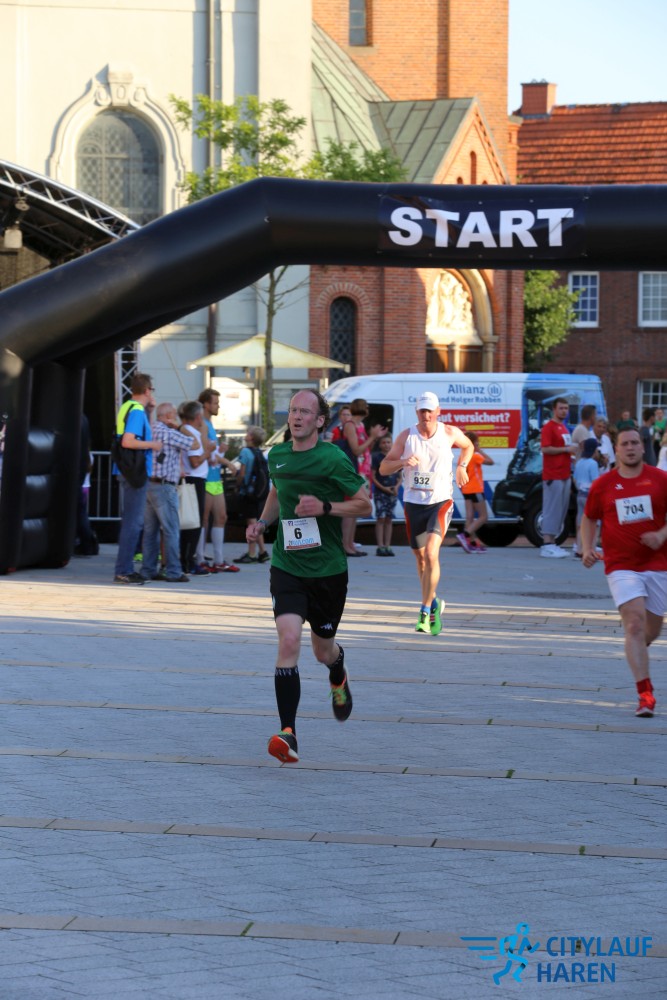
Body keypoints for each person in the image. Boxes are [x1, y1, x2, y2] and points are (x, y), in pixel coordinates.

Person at [246, 388, 371, 764]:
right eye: (292, 410)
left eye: (305, 411)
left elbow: (364, 504)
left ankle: (338, 670)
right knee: (288, 640)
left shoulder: (332, 458)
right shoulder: (278, 455)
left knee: (321, 650)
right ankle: (288, 733)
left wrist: (326, 507)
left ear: (320, 421)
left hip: (328, 571)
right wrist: (262, 523)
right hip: (287, 566)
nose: (297, 416)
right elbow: (276, 493)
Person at [581, 427, 667, 717]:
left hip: (657, 564)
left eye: (634, 443)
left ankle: (636, 648)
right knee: (634, 624)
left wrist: (661, 534)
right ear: (615, 449)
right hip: (620, 565)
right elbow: (589, 518)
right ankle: (645, 695)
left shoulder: (660, 479)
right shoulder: (603, 485)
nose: (630, 448)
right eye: (624, 444)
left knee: (651, 630)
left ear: (643, 447)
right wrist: (587, 547)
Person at [379, 391, 473, 635]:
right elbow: (384, 467)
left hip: (440, 501)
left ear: (438, 411)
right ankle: (433, 602)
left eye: (430, 410)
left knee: (431, 553)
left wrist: (462, 466)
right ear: (417, 412)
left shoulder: (449, 432)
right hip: (414, 503)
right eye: (422, 410)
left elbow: (468, 446)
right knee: (421, 559)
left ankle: (424, 611)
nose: (427, 415)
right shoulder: (406, 436)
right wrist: (402, 462)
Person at [113, 373, 161, 584]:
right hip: (135, 471)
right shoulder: (136, 411)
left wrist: (150, 411)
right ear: (148, 390)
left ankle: (124, 568)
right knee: (133, 523)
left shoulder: (128, 407)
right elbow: (128, 441)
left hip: (127, 469)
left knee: (132, 521)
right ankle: (124, 570)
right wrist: (153, 445)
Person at [139, 402, 194, 583]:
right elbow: (194, 444)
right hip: (164, 486)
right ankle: (173, 571)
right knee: (171, 530)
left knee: (150, 531)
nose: (176, 418)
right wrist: (178, 427)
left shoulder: (150, 429)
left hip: (148, 485)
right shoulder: (169, 433)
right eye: (174, 415)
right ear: (168, 416)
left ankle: (148, 569)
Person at [196, 388, 239, 573]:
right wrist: (227, 461)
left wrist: (220, 452)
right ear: (206, 404)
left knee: (221, 517)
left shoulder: (210, 424)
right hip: (205, 477)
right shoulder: (201, 424)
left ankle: (218, 559)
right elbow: (204, 452)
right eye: (215, 403)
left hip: (214, 478)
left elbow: (212, 453)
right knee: (204, 519)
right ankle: (200, 558)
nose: (218, 406)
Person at [340, 399, 386, 556]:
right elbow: (356, 450)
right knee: (350, 509)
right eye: (366, 406)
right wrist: (372, 437)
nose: (368, 409)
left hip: (363, 471)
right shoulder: (350, 425)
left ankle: (350, 544)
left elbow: (366, 448)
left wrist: (374, 437)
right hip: (354, 470)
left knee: (355, 510)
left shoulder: (360, 425)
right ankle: (345, 545)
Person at [179, 400, 215, 575]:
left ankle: (187, 559)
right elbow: (194, 461)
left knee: (195, 521)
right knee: (194, 522)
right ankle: (187, 561)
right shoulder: (190, 433)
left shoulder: (191, 431)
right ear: (198, 416)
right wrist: (208, 452)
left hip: (197, 479)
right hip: (194, 480)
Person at [539, 397, 578, 558]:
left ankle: (553, 543)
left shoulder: (563, 427)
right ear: (554, 410)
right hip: (553, 474)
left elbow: (565, 448)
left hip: (564, 474)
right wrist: (566, 450)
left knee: (560, 510)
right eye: (561, 408)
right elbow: (545, 449)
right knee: (551, 509)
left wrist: (570, 456)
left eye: (566, 408)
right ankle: (547, 544)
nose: (564, 411)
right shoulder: (548, 427)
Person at [234, 425, 270, 564]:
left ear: (252, 437)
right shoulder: (258, 452)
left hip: (247, 492)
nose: (246, 434)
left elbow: (242, 474)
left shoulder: (245, 451)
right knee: (255, 521)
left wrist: (238, 484)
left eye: (248, 433)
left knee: (251, 523)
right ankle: (262, 552)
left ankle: (252, 553)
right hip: (257, 493)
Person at [457, 430, 494, 552]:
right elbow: (490, 462)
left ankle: (472, 543)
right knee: (484, 516)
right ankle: (465, 535)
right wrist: (479, 450)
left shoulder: (462, 456)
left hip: (466, 489)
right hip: (476, 489)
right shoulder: (474, 455)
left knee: (470, 517)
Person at [371, 433, 401, 556]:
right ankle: (380, 546)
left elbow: (400, 476)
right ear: (380, 445)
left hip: (392, 493)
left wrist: (396, 487)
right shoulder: (377, 457)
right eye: (383, 442)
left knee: (389, 519)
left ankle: (388, 545)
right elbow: (373, 477)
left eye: (388, 442)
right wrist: (383, 488)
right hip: (381, 493)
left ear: (392, 443)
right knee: (381, 518)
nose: (386, 445)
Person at [572, 437, 600, 558]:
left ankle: (579, 549)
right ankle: (591, 550)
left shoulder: (579, 462)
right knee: (595, 523)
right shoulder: (593, 464)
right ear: (593, 450)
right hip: (590, 496)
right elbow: (595, 482)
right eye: (597, 449)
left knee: (581, 522)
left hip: (580, 495)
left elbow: (574, 479)